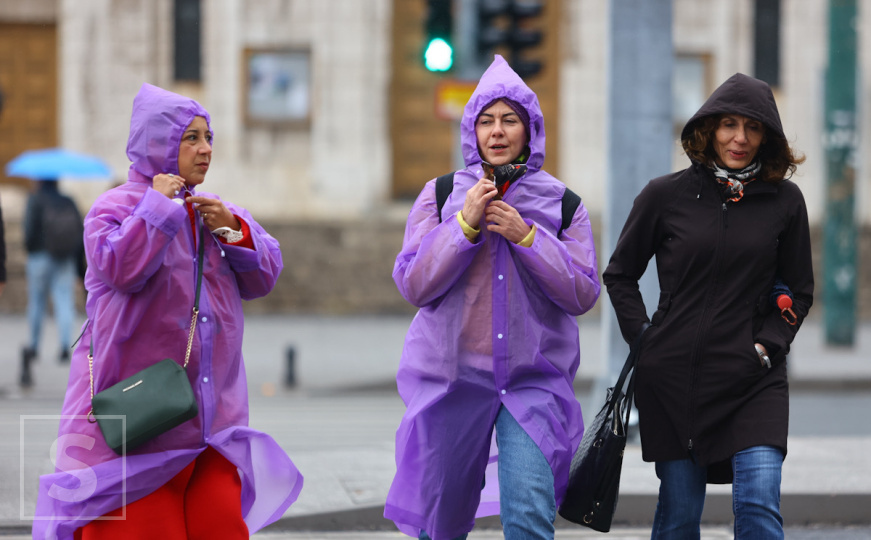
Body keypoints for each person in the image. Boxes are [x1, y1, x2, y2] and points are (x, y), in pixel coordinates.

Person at [33, 83, 303, 539]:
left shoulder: (216, 212)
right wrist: (157, 207)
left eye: (209, 137)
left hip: (210, 428)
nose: (205, 149)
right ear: (158, 143)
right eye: (190, 138)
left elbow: (264, 278)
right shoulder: (114, 208)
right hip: (136, 430)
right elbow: (122, 268)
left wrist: (233, 230)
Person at [385, 55, 601, 540]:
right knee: (438, 526)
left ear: (530, 130)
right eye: (485, 121)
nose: (497, 132)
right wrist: (462, 226)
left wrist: (528, 238)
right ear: (472, 131)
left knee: (528, 517)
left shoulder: (564, 205)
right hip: (451, 382)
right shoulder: (440, 195)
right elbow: (414, 284)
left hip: (532, 385)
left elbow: (583, 293)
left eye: (509, 120)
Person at [603, 73, 813, 539]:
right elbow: (620, 274)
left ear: (768, 137)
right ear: (708, 130)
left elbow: (799, 290)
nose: (740, 138)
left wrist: (767, 346)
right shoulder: (665, 195)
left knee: (759, 504)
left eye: (753, 128)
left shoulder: (786, 202)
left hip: (753, 377)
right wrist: (646, 340)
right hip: (676, 381)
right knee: (679, 517)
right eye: (729, 125)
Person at [21, 179, 83, 385]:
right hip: (63, 258)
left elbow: (28, 231)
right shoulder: (67, 200)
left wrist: (32, 250)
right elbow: (79, 231)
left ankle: (34, 345)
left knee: (37, 302)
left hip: (39, 257)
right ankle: (65, 346)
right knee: (64, 301)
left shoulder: (35, 199)